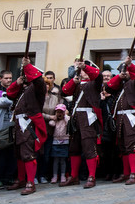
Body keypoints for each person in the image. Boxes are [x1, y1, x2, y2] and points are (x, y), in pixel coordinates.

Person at [4, 57, 47, 195]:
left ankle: (30, 182)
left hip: (28, 124)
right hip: (18, 124)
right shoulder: (23, 89)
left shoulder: (38, 87)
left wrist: (28, 66)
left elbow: (39, 80)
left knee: (28, 153)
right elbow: (10, 94)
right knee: (19, 153)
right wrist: (17, 83)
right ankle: (21, 179)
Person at [60, 60, 103, 189]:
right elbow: (65, 91)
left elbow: (98, 76)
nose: (83, 72)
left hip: (87, 118)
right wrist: (73, 80)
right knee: (74, 148)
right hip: (76, 118)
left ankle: (91, 176)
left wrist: (85, 66)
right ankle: (74, 176)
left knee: (89, 148)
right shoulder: (76, 83)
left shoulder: (95, 83)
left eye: (85, 70)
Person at [105, 57, 135, 185]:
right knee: (122, 146)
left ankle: (133, 174)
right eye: (124, 71)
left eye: (127, 71)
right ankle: (125, 173)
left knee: (131, 145)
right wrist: (119, 77)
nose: (126, 73)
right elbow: (108, 88)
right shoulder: (119, 85)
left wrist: (130, 65)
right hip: (120, 119)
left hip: (130, 118)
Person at [38, 75, 62, 184]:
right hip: (38, 128)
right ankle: (34, 176)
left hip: (51, 129)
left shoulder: (54, 98)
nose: (46, 86)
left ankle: (43, 174)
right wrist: (49, 117)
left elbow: (59, 109)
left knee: (46, 154)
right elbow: (36, 111)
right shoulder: (36, 97)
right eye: (43, 85)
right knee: (37, 153)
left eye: (47, 85)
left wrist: (59, 114)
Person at [0, 86, 16, 190]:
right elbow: (3, 102)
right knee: (0, 157)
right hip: (0, 131)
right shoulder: (1, 100)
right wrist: (13, 98)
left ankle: (9, 177)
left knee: (11, 156)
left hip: (11, 131)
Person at [49, 104, 69, 184]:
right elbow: (51, 123)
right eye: (58, 112)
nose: (60, 114)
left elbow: (68, 121)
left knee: (63, 160)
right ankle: (54, 175)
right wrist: (55, 118)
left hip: (65, 141)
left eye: (61, 112)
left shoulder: (66, 120)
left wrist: (65, 115)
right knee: (56, 160)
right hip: (56, 142)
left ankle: (63, 175)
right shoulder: (56, 121)